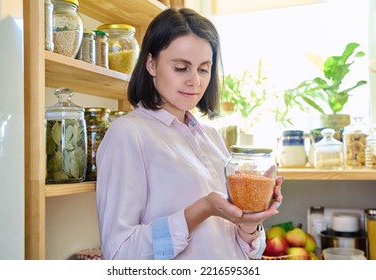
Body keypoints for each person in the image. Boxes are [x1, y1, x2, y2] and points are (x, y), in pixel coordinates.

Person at [96, 7, 283, 260]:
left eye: (204, 69)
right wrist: (202, 209)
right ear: (151, 64)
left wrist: (249, 220)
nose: (195, 81)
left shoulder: (211, 137)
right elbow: (120, 254)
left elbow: (242, 249)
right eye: (181, 68)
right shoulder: (128, 134)